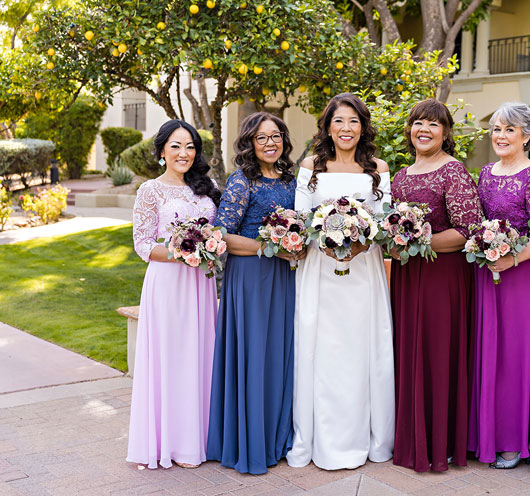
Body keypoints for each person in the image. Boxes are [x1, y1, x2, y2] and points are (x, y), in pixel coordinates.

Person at [287, 93, 394, 470]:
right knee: (324, 349)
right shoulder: (311, 165)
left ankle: (369, 437)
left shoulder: (377, 167)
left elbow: (384, 222)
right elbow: (300, 219)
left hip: (364, 271)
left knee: (361, 349)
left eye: (353, 121)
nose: (346, 128)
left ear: (362, 126)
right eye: (339, 121)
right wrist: (325, 242)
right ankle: (320, 439)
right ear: (327, 127)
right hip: (321, 271)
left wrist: (360, 239)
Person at [390, 98, 484, 472]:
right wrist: (396, 243)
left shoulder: (453, 172)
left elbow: (467, 231)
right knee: (408, 350)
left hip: (442, 277)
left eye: (433, 124)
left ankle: (439, 442)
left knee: (437, 353)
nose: (423, 130)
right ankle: (411, 437)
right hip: (408, 276)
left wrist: (416, 242)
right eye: (417, 123)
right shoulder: (400, 175)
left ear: (446, 133)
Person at [207, 112, 301, 474]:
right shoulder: (241, 180)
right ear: (250, 142)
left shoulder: (292, 182)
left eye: (276, 136)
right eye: (262, 138)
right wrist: (268, 247)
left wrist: (293, 244)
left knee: (279, 354)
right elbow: (222, 233)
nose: (270, 143)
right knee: (254, 356)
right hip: (249, 278)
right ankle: (250, 443)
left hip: (283, 277)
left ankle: (277, 439)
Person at [127, 119, 221, 469]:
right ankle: (173, 443)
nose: (184, 153)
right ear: (162, 150)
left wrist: (210, 245)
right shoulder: (150, 190)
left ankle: (201, 440)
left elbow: (217, 230)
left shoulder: (207, 186)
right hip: (168, 283)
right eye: (177, 146)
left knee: (201, 355)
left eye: (190, 146)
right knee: (172, 358)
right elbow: (143, 244)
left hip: (201, 284)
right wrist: (185, 249)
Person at [469, 103, 530, 468]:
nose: (500, 136)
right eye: (496, 129)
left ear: (527, 136)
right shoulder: (486, 172)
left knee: (513, 356)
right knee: (486, 350)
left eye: (508, 130)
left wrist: (512, 258)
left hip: (521, 276)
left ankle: (512, 439)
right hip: (487, 272)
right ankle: (483, 433)